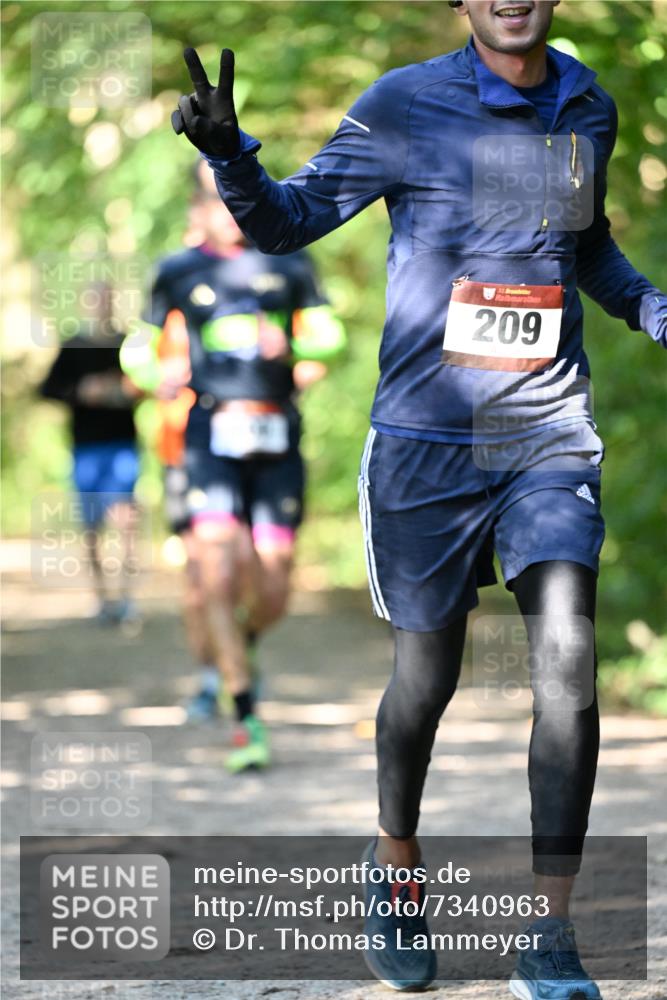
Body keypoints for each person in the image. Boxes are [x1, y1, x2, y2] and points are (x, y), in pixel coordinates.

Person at [172, 0, 667, 995]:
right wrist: (231, 156)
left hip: (544, 433)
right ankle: (394, 868)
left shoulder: (587, 105)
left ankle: (548, 931)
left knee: (565, 656)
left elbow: (588, 247)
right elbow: (289, 219)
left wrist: (648, 305)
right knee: (424, 681)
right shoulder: (405, 104)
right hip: (423, 449)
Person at [121, 160, 346, 772]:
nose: (230, 214)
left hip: (276, 433)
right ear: (201, 210)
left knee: (273, 583)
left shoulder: (290, 261)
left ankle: (235, 652)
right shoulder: (177, 271)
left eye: (240, 203)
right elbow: (137, 348)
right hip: (208, 434)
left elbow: (330, 336)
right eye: (219, 202)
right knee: (216, 569)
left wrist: (295, 348)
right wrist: (154, 377)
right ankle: (246, 713)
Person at [39, 281, 142, 629]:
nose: (102, 305)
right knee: (91, 527)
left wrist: (126, 389)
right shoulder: (73, 345)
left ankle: (127, 598)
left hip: (122, 443)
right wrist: (81, 390)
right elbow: (48, 389)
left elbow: (148, 383)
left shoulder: (127, 342)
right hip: (86, 448)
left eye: (108, 299)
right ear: (86, 303)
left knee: (127, 520)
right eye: (97, 299)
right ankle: (102, 598)